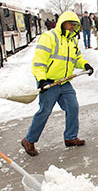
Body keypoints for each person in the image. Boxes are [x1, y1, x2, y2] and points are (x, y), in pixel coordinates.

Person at [21, 11, 94, 156]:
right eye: (70, 24)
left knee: (73, 106)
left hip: (64, 81)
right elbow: (39, 62)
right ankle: (29, 140)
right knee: (45, 111)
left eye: (75, 25)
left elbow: (77, 57)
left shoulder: (72, 40)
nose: (73, 27)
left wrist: (84, 64)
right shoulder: (48, 37)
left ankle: (70, 137)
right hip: (49, 81)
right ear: (62, 23)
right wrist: (41, 79)